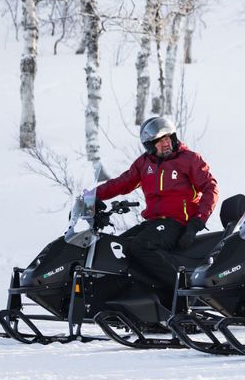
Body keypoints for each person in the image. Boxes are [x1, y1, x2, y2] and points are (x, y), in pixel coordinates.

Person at [89, 116, 219, 288]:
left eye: (167, 138)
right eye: (159, 141)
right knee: (115, 247)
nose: (165, 143)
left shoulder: (189, 159)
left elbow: (211, 188)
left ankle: (183, 290)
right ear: (150, 146)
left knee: (141, 246)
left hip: (177, 223)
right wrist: (90, 197)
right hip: (153, 223)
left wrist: (197, 222)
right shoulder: (144, 163)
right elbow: (122, 183)